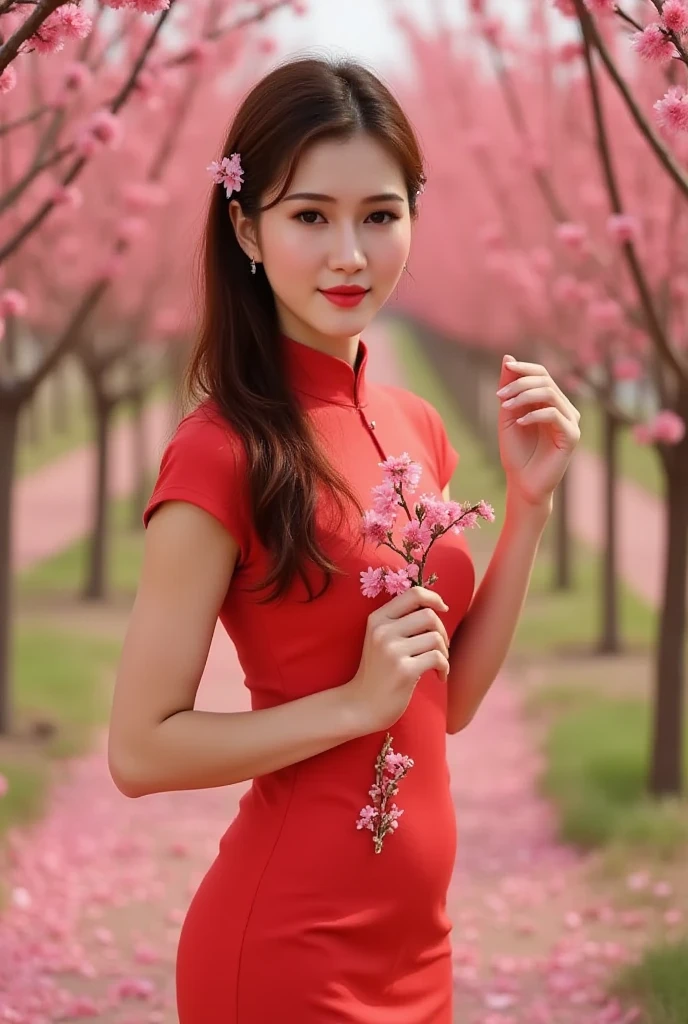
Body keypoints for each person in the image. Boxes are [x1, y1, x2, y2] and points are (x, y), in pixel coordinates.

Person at [108, 55, 580, 1024]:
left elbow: (444, 707)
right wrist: (354, 704)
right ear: (246, 226)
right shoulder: (221, 454)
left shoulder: (416, 424)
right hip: (288, 952)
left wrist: (528, 509)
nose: (350, 254)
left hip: (418, 944)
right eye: (309, 215)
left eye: (378, 213)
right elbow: (140, 750)